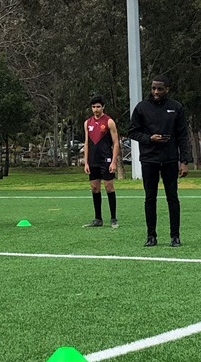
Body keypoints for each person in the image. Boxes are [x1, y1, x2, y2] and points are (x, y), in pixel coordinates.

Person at [128, 75, 191, 247]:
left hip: (170, 159)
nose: (156, 91)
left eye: (160, 89)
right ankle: (151, 236)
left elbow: (182, 136)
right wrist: (149, 138)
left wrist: (184, 160)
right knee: (150, 198)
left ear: (167, 89)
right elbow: (133, 132)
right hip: (149, 159)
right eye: (154, 88)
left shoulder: (176, 107)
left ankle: (175, 236)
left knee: (172, 198)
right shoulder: (141, 108)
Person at [82, 96, 120, 228]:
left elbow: (116, 143)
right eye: (93, 107)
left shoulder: (109, 122)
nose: (96, 109)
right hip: (93, 161)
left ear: (103, 107)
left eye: (98, 106)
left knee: (109, 187)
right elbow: (86, 143)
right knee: (94, 188)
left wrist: (113, 161)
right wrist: (86, 162)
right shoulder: (88, 123)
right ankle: (98, 218)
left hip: (106, 160)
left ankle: (113, 218)